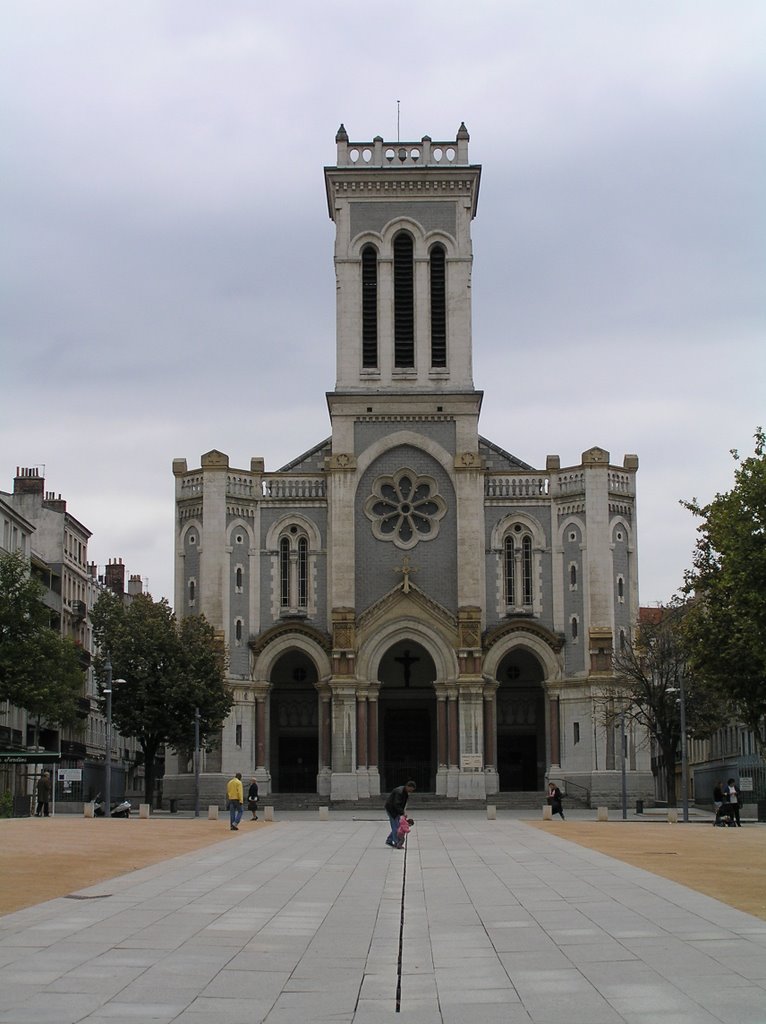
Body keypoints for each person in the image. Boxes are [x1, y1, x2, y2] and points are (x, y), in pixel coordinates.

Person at [384, 780, 415, 848]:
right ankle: (397, 842)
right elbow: (396, 804)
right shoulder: (399, 792)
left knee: (397, 826)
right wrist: (402, 813)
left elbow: (403, 804)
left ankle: (389, 840)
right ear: (408, 786)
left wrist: (403, 812)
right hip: (391, 809)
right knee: (396, 827)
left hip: (396, 810)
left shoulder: (405, 792)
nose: (411, 791)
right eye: (411, 790)